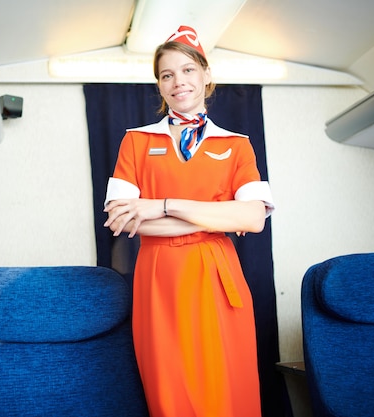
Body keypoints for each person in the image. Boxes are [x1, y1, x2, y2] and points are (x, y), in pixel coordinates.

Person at [103, 25, 275, 417]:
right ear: (159, 86)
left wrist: (162, 205)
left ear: (206, 75)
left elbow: (254, 218)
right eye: (167, 75)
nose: (178, 81)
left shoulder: (235, 145)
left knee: (226, 388)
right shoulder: (137, 141)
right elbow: (122, 219)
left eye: (187, 70)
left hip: (216, 274)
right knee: (170, 390)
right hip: (159, 277)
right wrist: (216, 217)